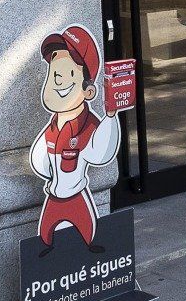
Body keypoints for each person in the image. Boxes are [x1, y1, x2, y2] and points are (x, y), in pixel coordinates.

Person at [28, 23, 120, 254]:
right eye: (54, 74)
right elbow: (41, 162)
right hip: (54, 196)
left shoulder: (87, 127)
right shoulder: (52, 129)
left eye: (68, 74)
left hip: (76, 195)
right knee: (47, 236)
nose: (58, 81)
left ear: (88, 91)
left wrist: (110, 117)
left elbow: (101, 153)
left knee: (87, 235)